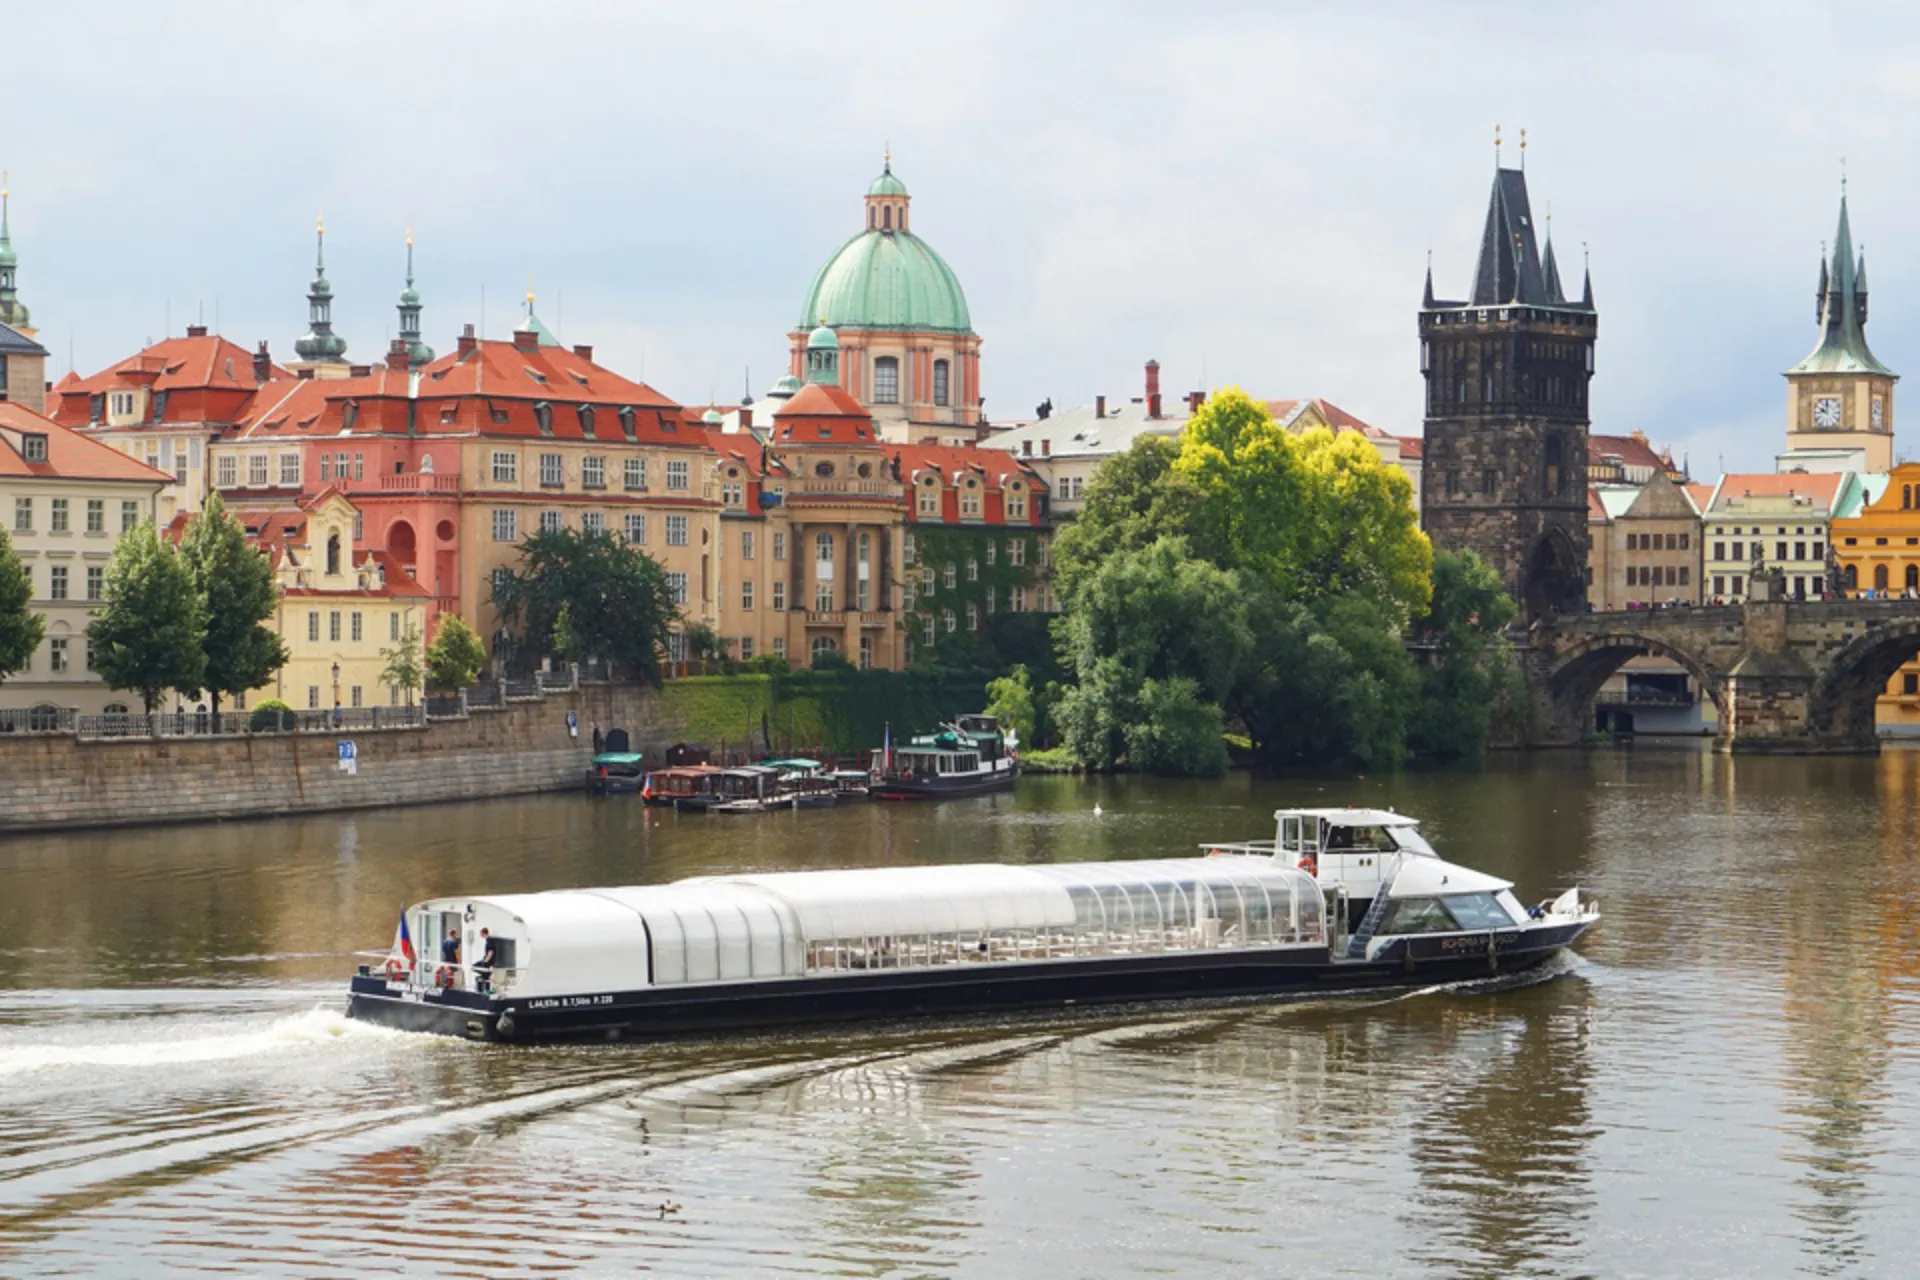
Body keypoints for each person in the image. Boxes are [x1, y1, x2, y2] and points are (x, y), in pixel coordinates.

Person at [475, 928, 500, 992]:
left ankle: (486, 977)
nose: (480, 935)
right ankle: (486, 976)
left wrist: (486, 961)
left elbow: (491, 952)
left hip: (488, 961)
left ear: (483, 933)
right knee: (476, 967)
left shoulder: (489, 939)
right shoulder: (487, 940)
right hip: (486, 960)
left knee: (475, 967)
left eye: (480, 934)